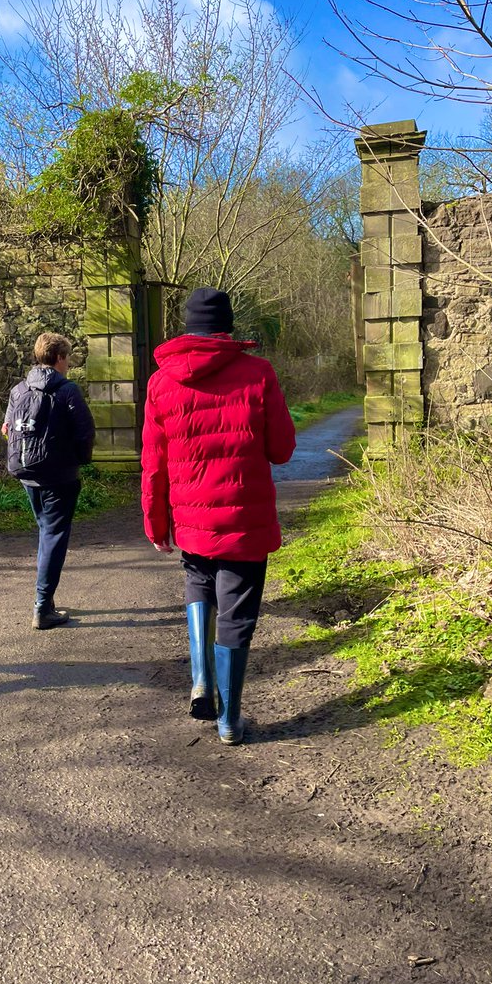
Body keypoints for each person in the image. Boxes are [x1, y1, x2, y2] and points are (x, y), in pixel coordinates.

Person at [140, 287, 296, 745]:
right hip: (244, 522)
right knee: (236, 613)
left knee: (198, 584)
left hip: (190, 521)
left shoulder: (160, 382)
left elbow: (153, 462)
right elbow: (282, 450)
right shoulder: (258, 372)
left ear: (188, 326)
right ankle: (229, 719)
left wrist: (155, 521)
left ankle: (201, 679)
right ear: (226, 326)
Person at [3, 332, 95, 630]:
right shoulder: (67, 391)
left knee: (46, 532)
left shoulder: (19, 390)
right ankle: (42, 606)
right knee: (54, 536)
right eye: (67, 357)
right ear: (58, 358)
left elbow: (7, 429)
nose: (68, 363)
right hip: (59, 476)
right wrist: (78, 460)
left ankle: (46, 600)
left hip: (28, 474)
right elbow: (85, 432)